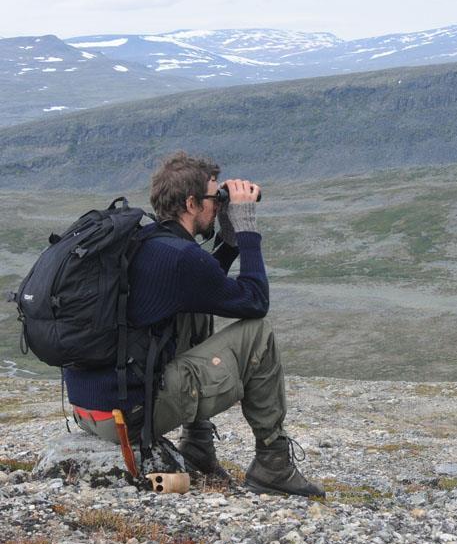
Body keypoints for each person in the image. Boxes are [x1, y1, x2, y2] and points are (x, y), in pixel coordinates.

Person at [64, 151, 324, 498]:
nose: (219, 206)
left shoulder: (147, 241)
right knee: (257, 336)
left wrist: (228, 240)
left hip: (91, 410)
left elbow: (206, 284)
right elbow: (256, 302)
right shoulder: (181, 257)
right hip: (128, 418)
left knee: (195, 307)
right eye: (215, 199)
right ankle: (273, 465)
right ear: (191, 202)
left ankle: (198, 448)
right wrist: (247, 230)